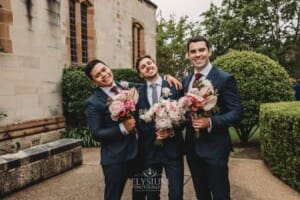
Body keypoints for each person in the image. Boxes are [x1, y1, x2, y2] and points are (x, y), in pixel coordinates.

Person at [85, 59, 182, 200]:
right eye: (98, 75)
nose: (104, 75)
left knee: (140, 194)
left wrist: (167, 76)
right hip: (115, 159)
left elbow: (152, 82)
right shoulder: (93, 102)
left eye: (104, 70)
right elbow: (96, 133)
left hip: (138, 156)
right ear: (94, 81)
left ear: (108, 68)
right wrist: (122, 128)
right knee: (113, 196)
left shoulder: (127, 88)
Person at [182, 36, 243, 200]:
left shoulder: (224, 79)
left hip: (215, 148)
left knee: (220, 194)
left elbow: (236, 112)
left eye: (201, 50)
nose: (198, 54)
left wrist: (210, 122)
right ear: (188, 55)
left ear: (209, 51)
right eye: (193, 51)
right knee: (201, 194)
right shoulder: (186, 80)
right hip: (192, 148)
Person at [134, 55, 184, 200]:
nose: (148, 67)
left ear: (155, 64)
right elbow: (139, 122)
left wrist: (172, 129)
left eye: (149, 63)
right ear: (140, 74)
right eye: (143, 67)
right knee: (151, 194)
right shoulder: (137, 92)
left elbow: (185, 116)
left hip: (173, 150)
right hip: (149, 152)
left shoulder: (175, 87)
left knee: (176, 194)